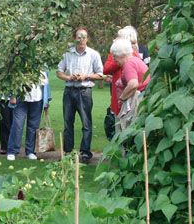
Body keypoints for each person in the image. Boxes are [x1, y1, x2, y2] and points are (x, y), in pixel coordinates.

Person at [56, 27, 103, 164]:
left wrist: (86, 76)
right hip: (69, 91)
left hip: (84, 92)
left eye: (84, 37)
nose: (82, 39)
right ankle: (68, 152)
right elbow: (59, 72)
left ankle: (85, 153)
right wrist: (69, 77)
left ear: (87, 39)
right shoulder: (67, 54)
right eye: (79, 37)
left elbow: (100, 74)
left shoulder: (93, 54)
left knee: (86, 124)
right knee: (67, 123)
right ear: (74, 39)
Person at [6, 71, 50, 161]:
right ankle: (12, 151)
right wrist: (12, 96)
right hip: (21, 98)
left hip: (37, 99)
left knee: (33, 126)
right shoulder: (22, 61)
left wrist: (47, 99)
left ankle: (30, 151)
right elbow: (13, 78)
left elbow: (46, 83)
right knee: (17, 125)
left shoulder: (43, 64)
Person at [110, 38, 150, 131]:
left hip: (137, 101)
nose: (113, 58)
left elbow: (133, 84)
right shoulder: (136, 60)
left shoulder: (129, 63)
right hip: (143, 98)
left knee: (128, 130)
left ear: (122, 55)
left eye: (115, 56)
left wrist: (122, 98)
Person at [103, 26, 141, 117]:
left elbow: (107, 68)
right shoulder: (128, 54)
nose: (115, 39)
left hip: (126, 97)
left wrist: (116, 55)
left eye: (119, 37)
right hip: (120, 96)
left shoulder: (129, 55)